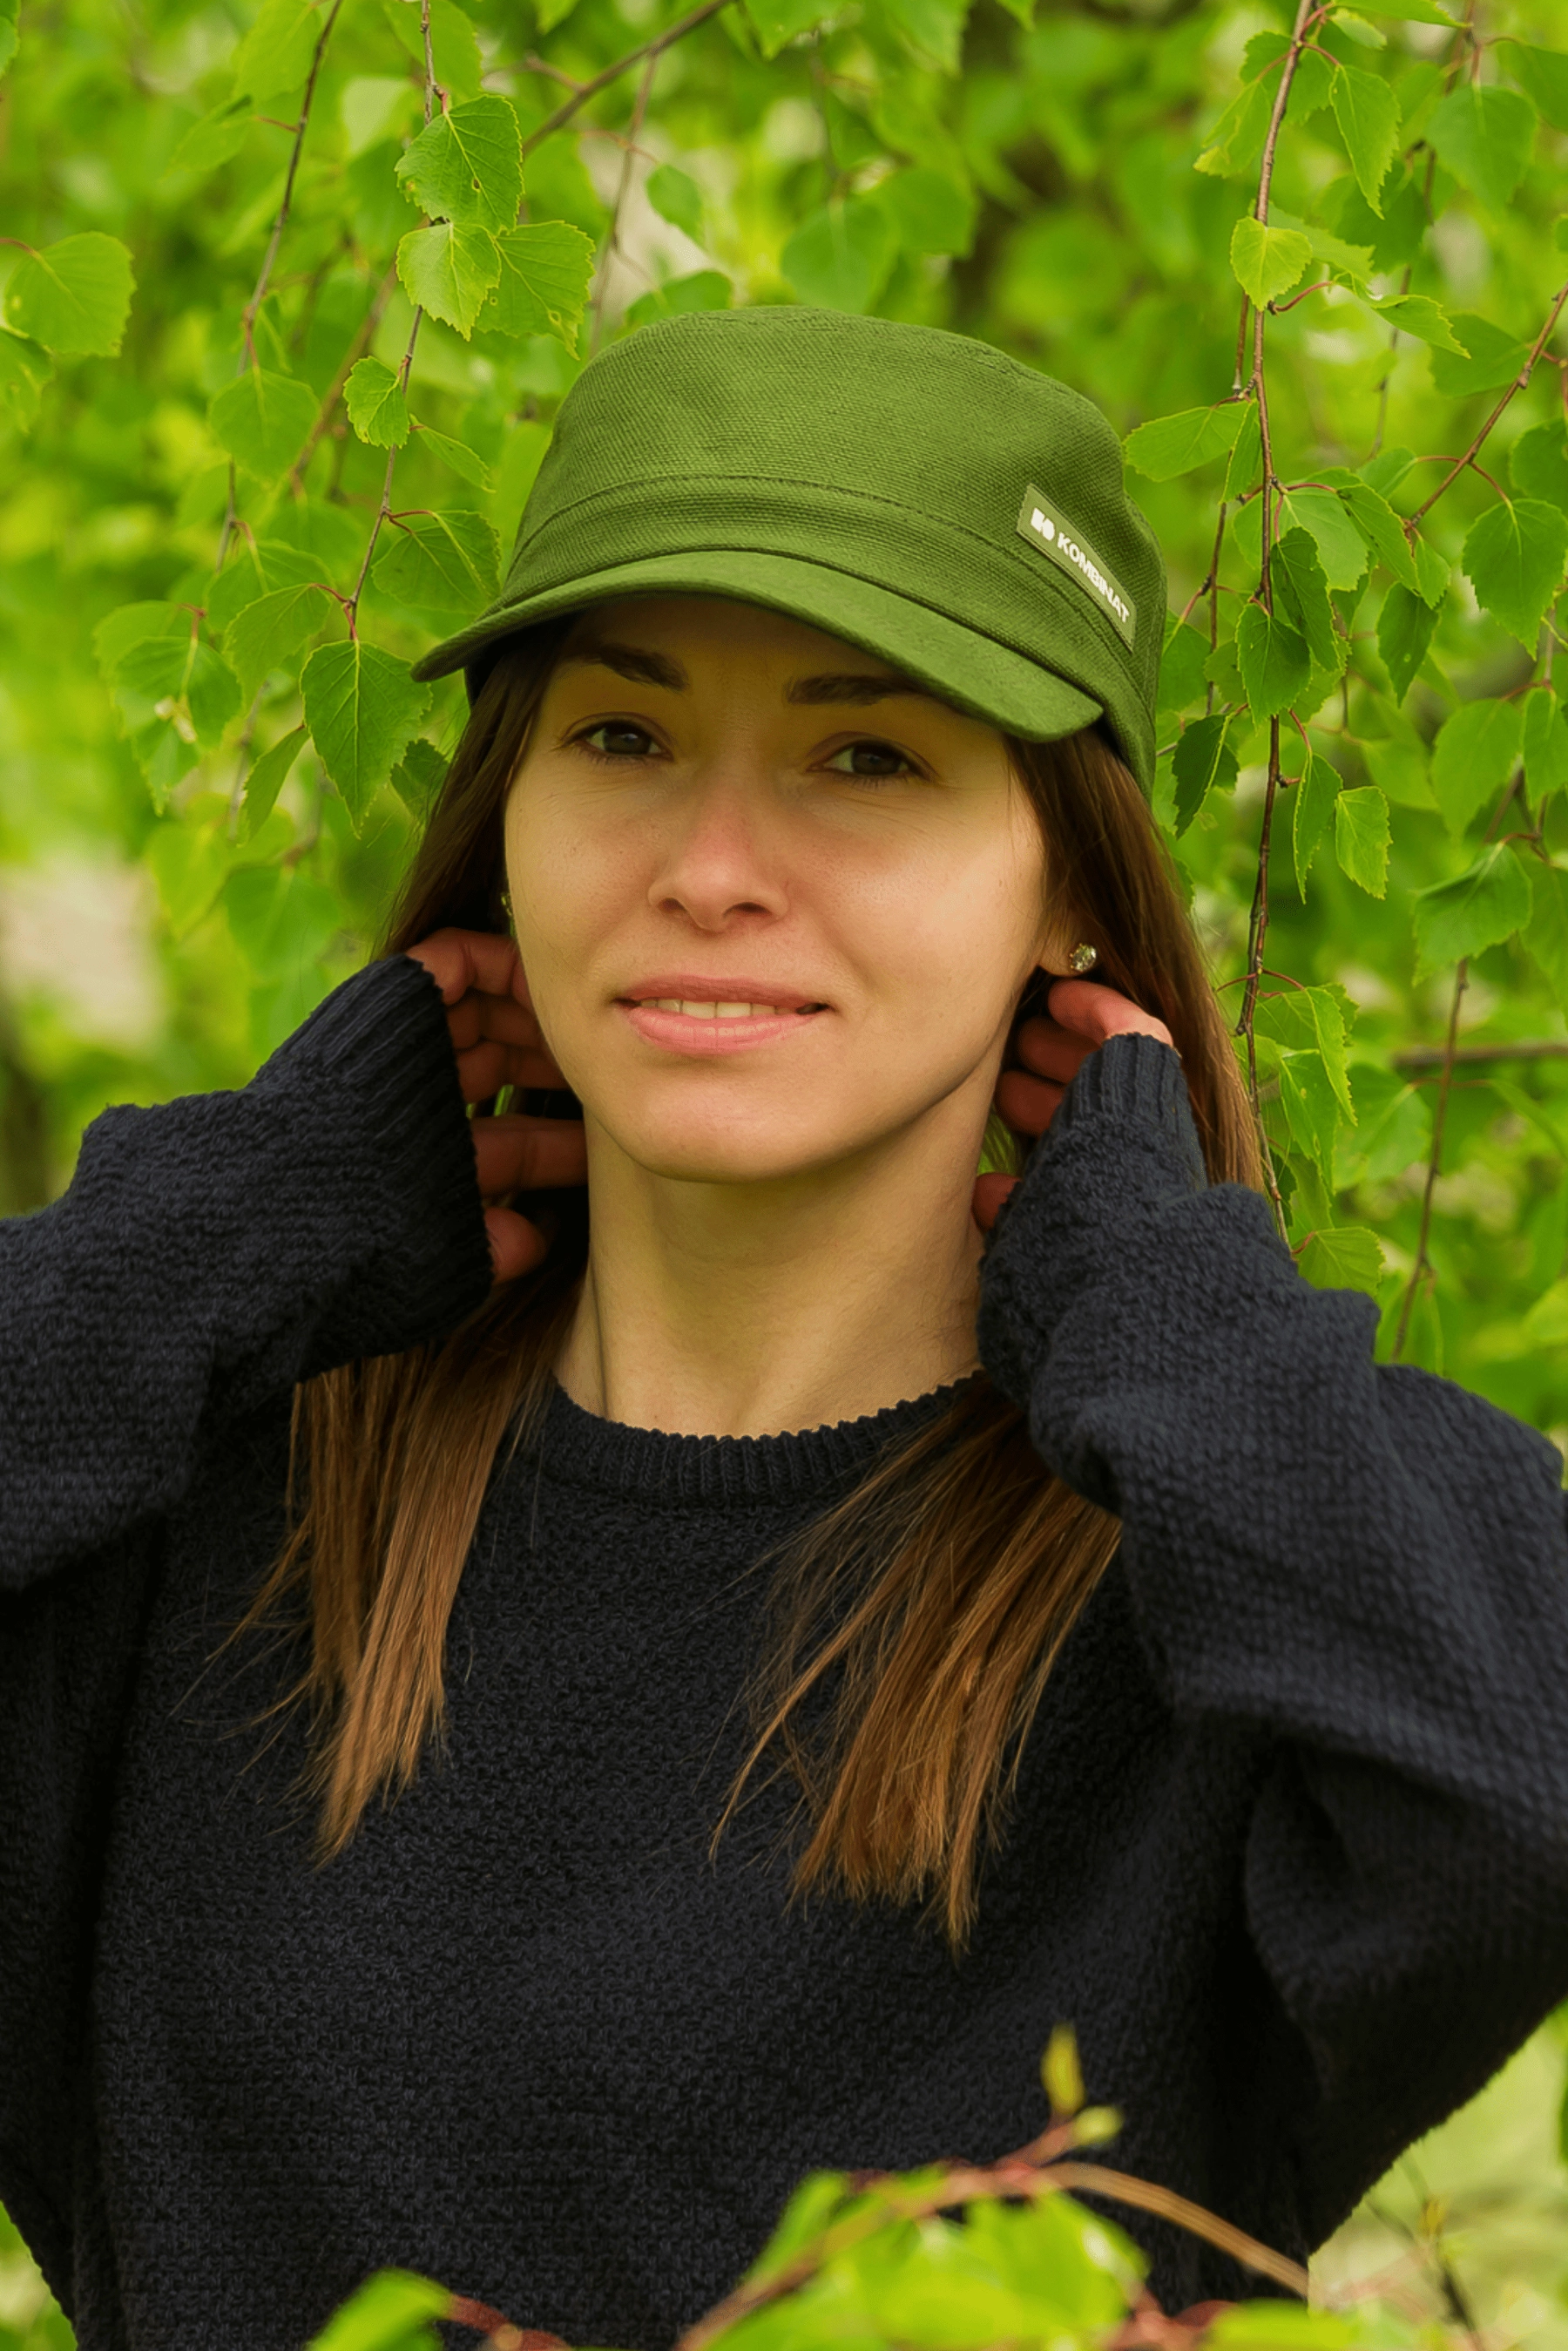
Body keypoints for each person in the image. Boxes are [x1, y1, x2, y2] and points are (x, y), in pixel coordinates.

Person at [3, 307, 1566, 2351]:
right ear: (511, 816)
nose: (713, 867)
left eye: (867, 756)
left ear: (1067, 896)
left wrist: (1155, 1301)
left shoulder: (1219, 1586)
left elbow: (1514, 1812)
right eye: (623, 737)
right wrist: (217, 1233)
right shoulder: (209, 1494)